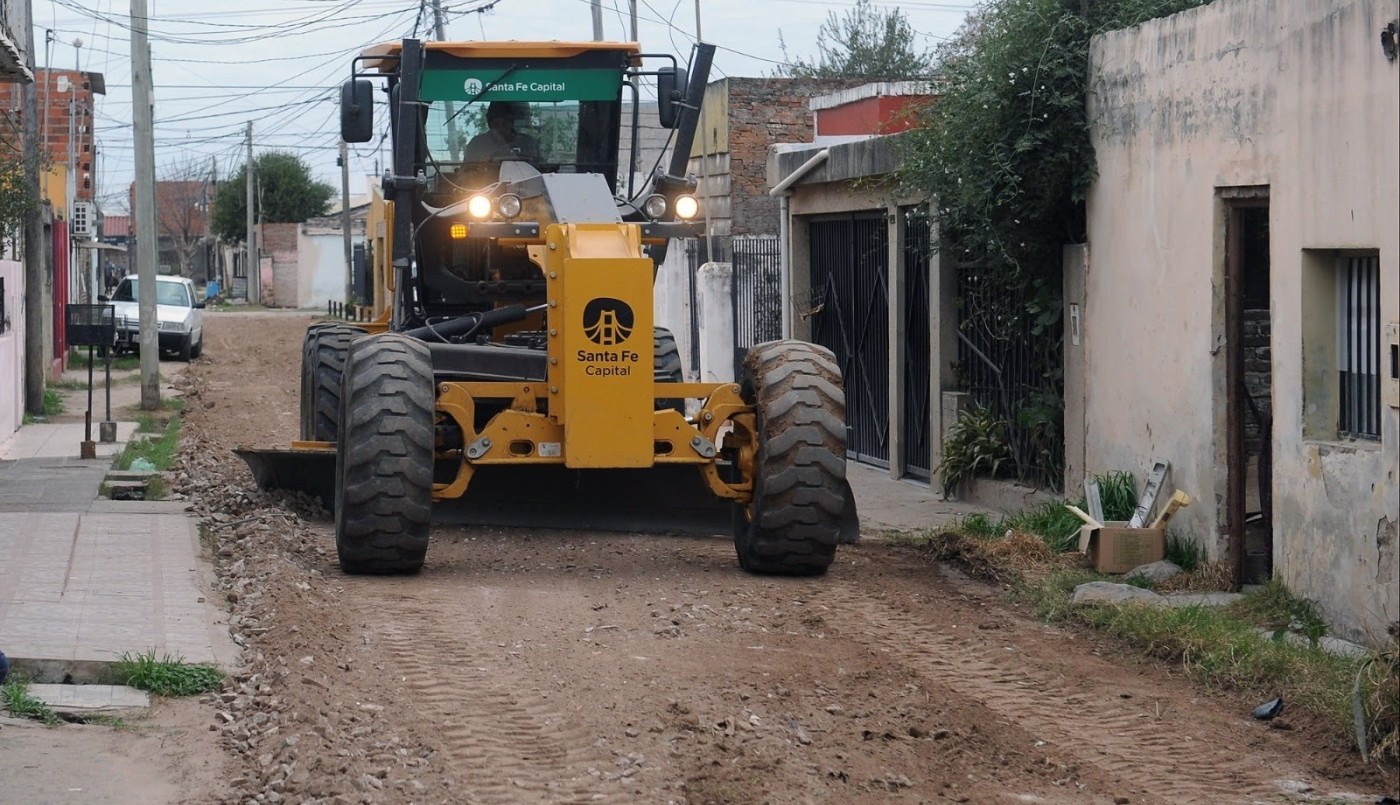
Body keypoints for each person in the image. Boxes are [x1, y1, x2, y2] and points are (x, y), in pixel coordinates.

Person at [462, 101, 542, 166]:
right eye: (496, 124)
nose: (500, 129)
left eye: (504, 124)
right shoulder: (477, 144)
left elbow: (542, 171)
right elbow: (465, 176)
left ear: (511, 123)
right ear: (489, 124)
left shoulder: (528, 144)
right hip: (485, 185)